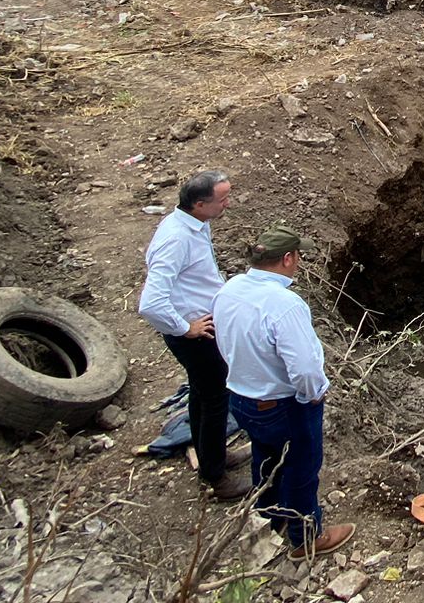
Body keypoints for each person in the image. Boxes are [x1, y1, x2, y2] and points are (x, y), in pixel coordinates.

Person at [213, 225, 354, 559]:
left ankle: (269, 515)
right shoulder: (284, 305)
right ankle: (306, 538)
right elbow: (304, 368)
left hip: (241, 398)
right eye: (299, 256)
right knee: (302, 468)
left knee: (266, 457)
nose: (301, 261)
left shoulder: (229, 289)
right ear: (288, 258)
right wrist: (314, 394)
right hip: (283, 403)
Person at [137, 170, 247, 501]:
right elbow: (150, 302)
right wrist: (187, 328)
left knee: (204, 395)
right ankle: (215, 478)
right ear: (199, 204)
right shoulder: (176, 239)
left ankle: (212, 454)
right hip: (195, 334)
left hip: (203, 323)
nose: (229, 203)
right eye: (222, 199)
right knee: (215, 398)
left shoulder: (194, 225)